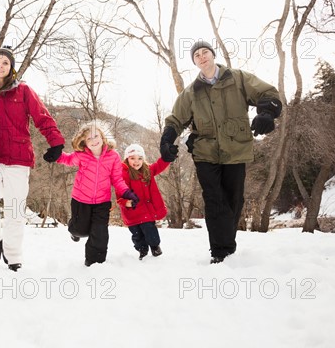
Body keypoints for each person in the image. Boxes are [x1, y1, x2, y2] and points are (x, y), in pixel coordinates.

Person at [160, 40, 282, 264]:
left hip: (235, 149)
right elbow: (176, 119)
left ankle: (227, 245)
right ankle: (219, 251)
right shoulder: (191, 92)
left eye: (205, 51)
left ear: (213, 55)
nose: (201, 56)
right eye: (196, 55)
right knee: (214, 199)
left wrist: (266, 113)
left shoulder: (237, 78)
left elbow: (267, 92)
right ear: (195, 62)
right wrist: (167, 139)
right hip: (205, 152)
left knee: (234, 200)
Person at [0, 46, 65, 271]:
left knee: (15, 208)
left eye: (5, 62)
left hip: (19, 158)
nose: (0, 65)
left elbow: (42, 117)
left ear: (11, 68)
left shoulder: (23, 91)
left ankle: (13, 255)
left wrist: (56, 142)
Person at [55, 120, 140, 266]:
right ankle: (73, 230)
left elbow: (117, 179)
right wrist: (55, 154)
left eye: (96, 136)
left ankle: (94, 262)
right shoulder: (81, 155)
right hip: (80, 199)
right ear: (84, 142)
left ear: (102, 137)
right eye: (89, 138)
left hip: (102, 202)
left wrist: (127, 193)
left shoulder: (113, 156)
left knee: (100, 232)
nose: (93, 140)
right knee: (80, 230)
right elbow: (67, 159)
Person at [117, 144, 171, 260]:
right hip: (132, 210)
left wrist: (167, 157)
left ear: (143, 159)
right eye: (132, 158)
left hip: (146, 210)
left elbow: (159, 165)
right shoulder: (123, 174)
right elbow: (120, 193)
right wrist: (126, 202)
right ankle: (142, 250)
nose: (136, 162)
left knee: (150, 229)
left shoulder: (148, 170)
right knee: (137, 235)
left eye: (139, 158)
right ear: (127, 159)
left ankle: (155, 246)